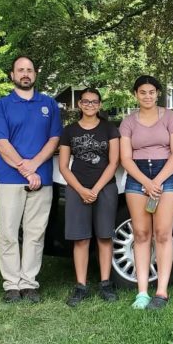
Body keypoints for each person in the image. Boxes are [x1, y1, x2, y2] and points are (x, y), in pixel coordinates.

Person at [0, 55, 62, 303]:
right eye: (20, 70)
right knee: (8, 232)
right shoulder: (1, 105)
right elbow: (1, 142)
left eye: (29, 70)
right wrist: (25, 169)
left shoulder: (49, 104)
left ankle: (29, 282)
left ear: (35, 74)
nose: (25, 74)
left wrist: (34, 167)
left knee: (35, 233)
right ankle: (11, 284)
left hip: (42, 178)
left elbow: (54, 140)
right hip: (10, 178)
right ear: (12, 75)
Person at [119, 75, 173, 310]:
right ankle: (142, 292)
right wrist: (146, 182)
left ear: (158, 94)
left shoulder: (171, 117)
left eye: (152, 92)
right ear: (135, 94)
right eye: (142, 92)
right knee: (141, 234)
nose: (147, 96)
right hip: (137, 177)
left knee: (163, 233)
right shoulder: (128, 122)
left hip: (166, 174)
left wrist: (156, 180)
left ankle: (162, 292)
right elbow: (125, 158)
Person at [58, 87, 121, 306]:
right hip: (77, 188)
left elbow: (114, 162)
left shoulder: (110, 129)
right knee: (81, 238)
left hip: (104, 187)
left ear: (100, 105)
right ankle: (81, 286)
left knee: (104, 236)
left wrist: (95, 189)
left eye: (94, 102)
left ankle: (105, 283)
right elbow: (64, 166)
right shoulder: (69, 131)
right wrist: (82, 190)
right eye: (86, 102)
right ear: (79, 105)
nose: (90, 105)